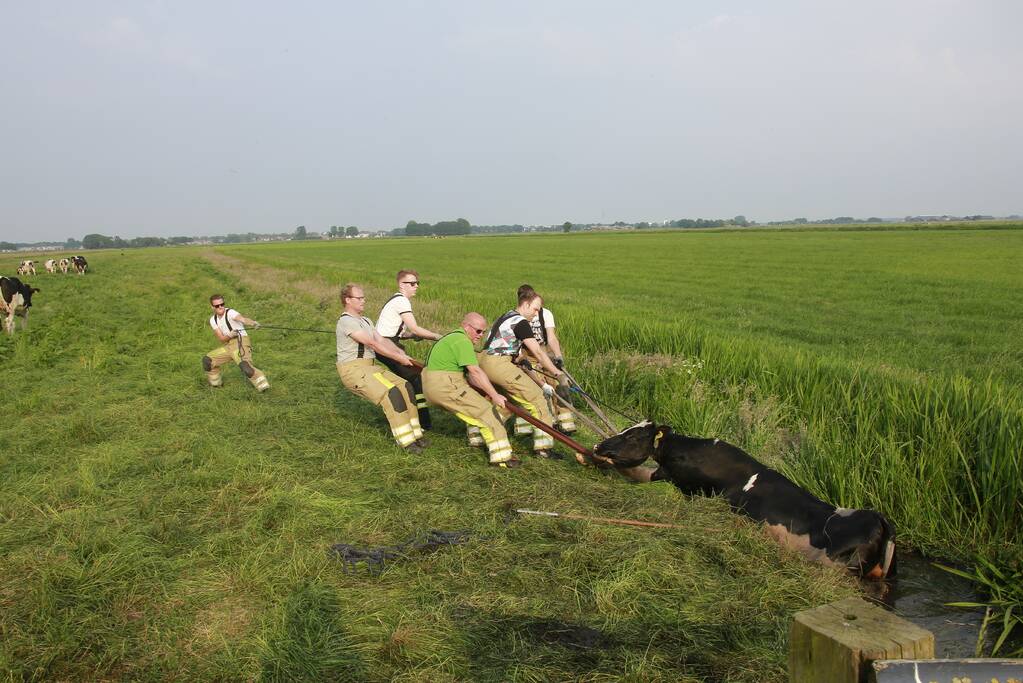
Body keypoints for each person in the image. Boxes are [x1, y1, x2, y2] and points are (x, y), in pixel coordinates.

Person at [335, 283, 426, 453]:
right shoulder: (346, 321)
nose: (364, 300)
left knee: (405, 386)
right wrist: (398, 358)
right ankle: (406, 441)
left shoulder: (366, 321)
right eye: (359, 298)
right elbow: (372, 343)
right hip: (353, 371)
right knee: (391, 393)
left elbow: (382, 340)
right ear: (347, 300)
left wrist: (401, 353)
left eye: (363, 297)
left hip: (369, 368)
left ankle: (416, 433)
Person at [476, 288, 566, 459]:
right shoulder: (521, 322)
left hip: (485, 361)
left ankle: (484, 430)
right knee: (538, 399)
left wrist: (518, 357)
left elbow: (499, 342)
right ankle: (543, 448)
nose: (536, 313)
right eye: (535, 309)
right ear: (525, 304)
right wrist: (556, 373)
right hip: (499, 364)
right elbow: (538, 352)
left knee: (510, 402)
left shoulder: (506, 316)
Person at [422, 312, 518, 468]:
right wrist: (495, 395)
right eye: (478, 331)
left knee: (475, 407)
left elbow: (471, 377)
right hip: (447, 385)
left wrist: (486, 391)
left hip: (434, 385)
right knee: (487, 412)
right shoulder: (462, 341)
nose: (480, 335)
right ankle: (502, 457)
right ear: (466, 326)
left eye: (484, 332)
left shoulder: (452, 337)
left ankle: (476, 439)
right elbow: (475, 372)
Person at [375, 269, 443, 430]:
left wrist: (411, 336)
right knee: (416, 378)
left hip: (388, 342)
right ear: (401, 284)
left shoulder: (395, 299)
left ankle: (417, 419)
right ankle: (422, 423)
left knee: (413, 378)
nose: (416, 286)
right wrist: (438, 337)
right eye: (412, 283)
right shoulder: (402, 301)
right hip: (386, 345)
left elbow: (395, 330)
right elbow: (415, 327)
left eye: (417, 283)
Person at [514, 284, 576, 434]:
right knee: (538, 389)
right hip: (527, 356)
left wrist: (558, 356)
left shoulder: (545, 314)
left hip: (544, 353)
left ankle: (565, 424)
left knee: (558, 386)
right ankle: (543, 424)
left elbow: (551, 337)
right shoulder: (517, 317)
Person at [203, 294, 270, 392]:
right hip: (228, 345)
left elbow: (242, 319)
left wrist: (253, 323)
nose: (221, 307)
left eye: (222, 304)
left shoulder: (230, 313)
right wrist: (230, 335)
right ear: (212, 307)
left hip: (241, 341)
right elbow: (221, 339)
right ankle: (216, 385)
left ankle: (263, 387)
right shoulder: (213, 320)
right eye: (217, 306)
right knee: (207, 360)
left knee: (245, 367)